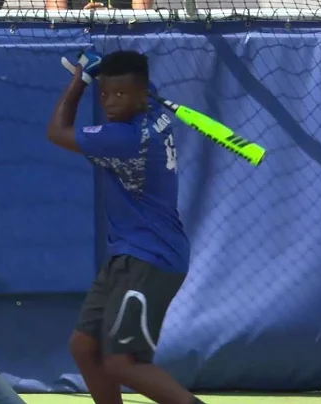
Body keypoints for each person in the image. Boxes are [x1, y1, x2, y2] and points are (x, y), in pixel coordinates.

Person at [46, 50, 204, 404]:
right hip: (129, 254)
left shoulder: (124, 139)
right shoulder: (155, 114)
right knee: (84, 346)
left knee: (123, 362)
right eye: (105, 94)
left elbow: (56, 131)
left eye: (120, 95)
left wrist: (82, 80)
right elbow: (131, 76)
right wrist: (108, 76)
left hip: (151, 257)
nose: (111, 102)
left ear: (140, 92)